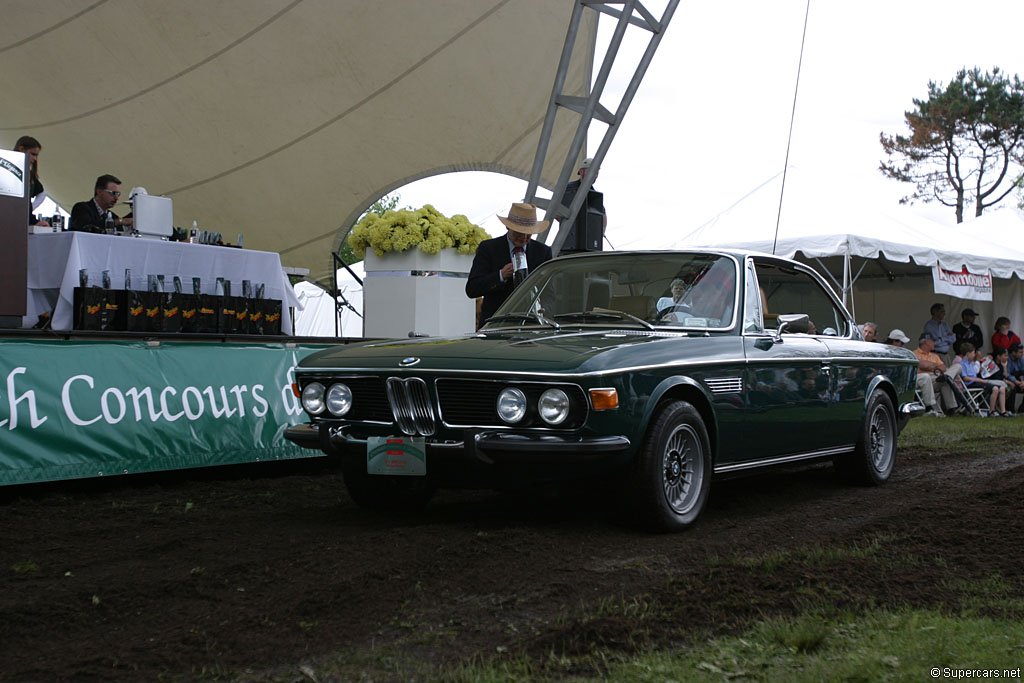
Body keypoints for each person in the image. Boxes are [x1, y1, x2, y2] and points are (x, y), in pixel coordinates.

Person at [466, 202, 553, 325]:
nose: (524, 237)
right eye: (519, 232)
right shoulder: (489, 248)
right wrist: (500, 275)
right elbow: (472, 289)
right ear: (508, 227)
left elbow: (549, 293)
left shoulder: (543, 252)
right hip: (495, 325)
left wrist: (543, 313)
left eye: (529, 233)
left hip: (531, 326)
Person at [69, 174, 133, 233]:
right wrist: (120, 221)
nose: (116, 198)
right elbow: (87, 226)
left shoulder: (113, 216)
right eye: (113, 193)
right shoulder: (81, 208)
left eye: (118, 194)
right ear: (99, 191)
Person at [959, 342, 1009, 416]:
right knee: (995, 388)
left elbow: (976, 372)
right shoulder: (962, 364)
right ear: (968, 353)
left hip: (977, 382)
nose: (974, 355)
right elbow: (966, 378)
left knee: (1001, 388)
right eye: (973, 353)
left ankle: (1003, 411)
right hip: (971, 384)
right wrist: (981, 380)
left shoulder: (970, 363)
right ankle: (991, 410)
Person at [913, 334, 958, 416]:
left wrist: (930, 366)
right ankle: (930, 408)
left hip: (936, 377)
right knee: (937, 378)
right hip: (924, 380)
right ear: (926, 341)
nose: (935, 343)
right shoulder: (914, 354)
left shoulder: (935, 355)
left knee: (955, 369)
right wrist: (936, 366)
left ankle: (951, 409)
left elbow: (943, 367)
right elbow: (924, 365)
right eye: (933, 341)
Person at [14, 135, 48, 225]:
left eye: (36, 155)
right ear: (21, 149)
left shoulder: (28, 175)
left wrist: (28, 209)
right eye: (33, 154)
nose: (35, 159)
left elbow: (42, 193)